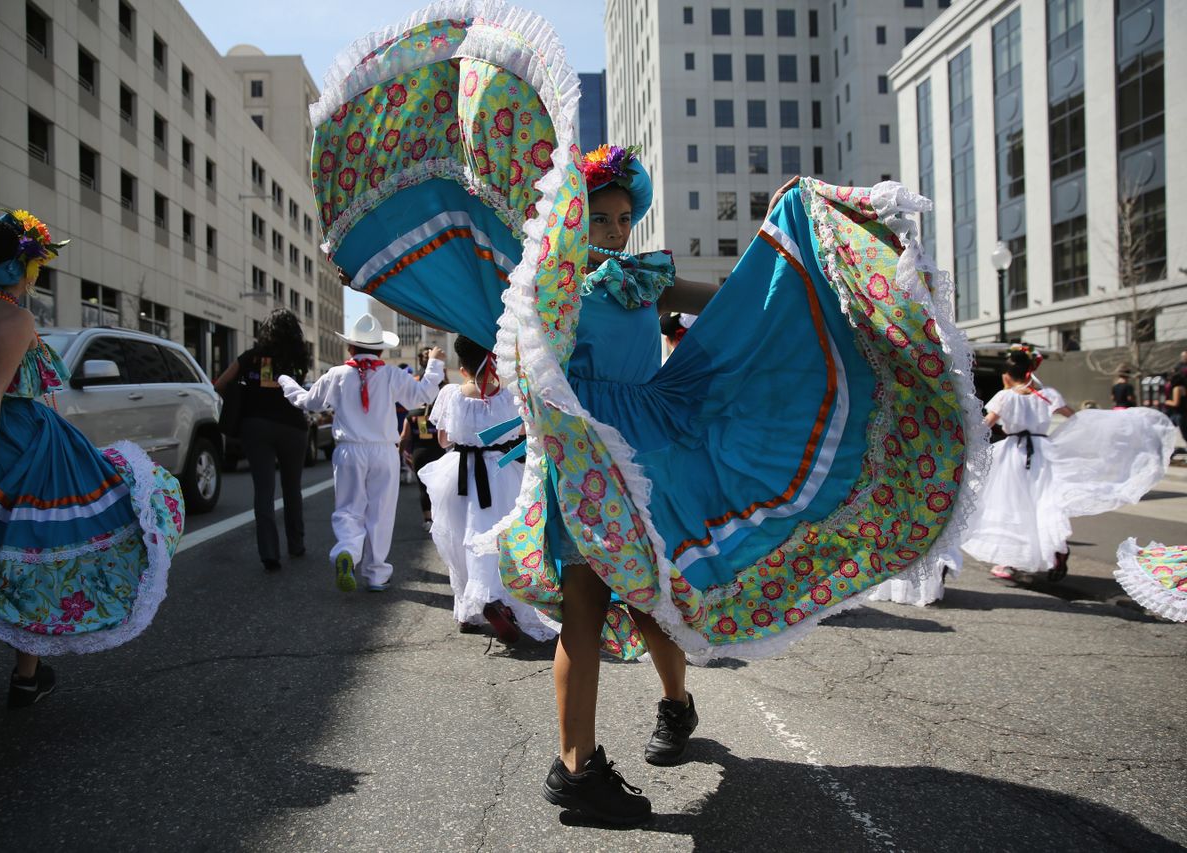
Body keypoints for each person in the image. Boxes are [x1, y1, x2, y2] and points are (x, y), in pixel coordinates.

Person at [309, 9, 985, 825]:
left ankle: (675, 703)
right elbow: (473, 299)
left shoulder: (640, 279)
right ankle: (577, 767)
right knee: (585, 609)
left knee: (650, 597)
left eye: (624, 217)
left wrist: (799, 246)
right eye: (601, 216)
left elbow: (737, 296)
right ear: (571, 216)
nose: (616, 229)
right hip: (579, 450)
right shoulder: (540, 290)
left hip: (650, 446)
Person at [0, 211, 183, 754]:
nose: (37, 271)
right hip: (9, 444)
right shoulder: (14, 321)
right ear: (23, 266)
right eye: (36, 261)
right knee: (36, 546)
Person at [962, 345, 1175, 581]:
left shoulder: (1005, 396)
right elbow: (1076, 419)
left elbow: (985, 426)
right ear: (1029, 372)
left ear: (1006, 376)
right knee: (1044, 504)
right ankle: (1056, 550)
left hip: (1013, 453)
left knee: (1013, 506)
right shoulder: (1048, 395)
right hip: (1044, 452)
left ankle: (1013, 560)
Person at [277, 313, 445, 592]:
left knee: (349, 508)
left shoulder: (337, 374)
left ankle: (348, 550)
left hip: (349, 451)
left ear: (350, 348)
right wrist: (435, 364)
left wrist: (286, 381)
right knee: (381, 511)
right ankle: (377, 574)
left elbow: (308, 402)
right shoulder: (390, 374)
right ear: (380, 349)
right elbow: (423, 396)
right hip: (383, 451)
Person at [417, 335, 555, 643]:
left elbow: (443, 441)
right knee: (505, 539)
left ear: (462, 367)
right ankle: (500, 601)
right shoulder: (509, 396)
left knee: (460, 540)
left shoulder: (451, 396)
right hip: (503, 471)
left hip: (459, 475)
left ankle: (470, 609)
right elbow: (524, 430)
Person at [214, 309, 309, 572]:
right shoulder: (300, 358)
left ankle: (269, 553)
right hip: (293, 427)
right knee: (292, 488)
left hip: (256, 426)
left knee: (264, 491)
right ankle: (296, 544)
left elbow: (220, 384)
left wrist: (243, 397)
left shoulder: (251, 357)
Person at [400, 361, 447, 531]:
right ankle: (440, 517)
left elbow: (404, 437)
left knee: (423, 487)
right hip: (439, 452)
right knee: (439, 487)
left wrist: (399, 452)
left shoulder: (413, 414)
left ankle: (428, 519)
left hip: (419, 453)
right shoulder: (440, 414)